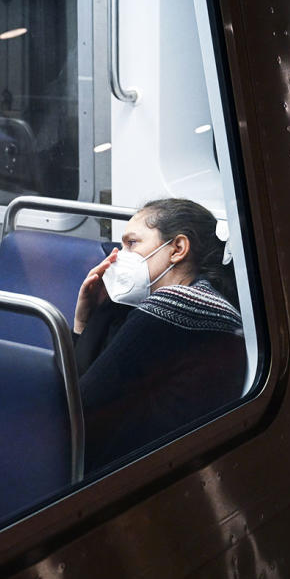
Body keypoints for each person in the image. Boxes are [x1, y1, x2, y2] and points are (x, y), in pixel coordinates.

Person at [71, 198, 245, 473]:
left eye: (131, 244)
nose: (118, 256)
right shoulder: (206, 299)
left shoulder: (177, 304)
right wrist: (86, 318)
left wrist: (87, 323)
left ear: (177, 249)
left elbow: (78, 405)